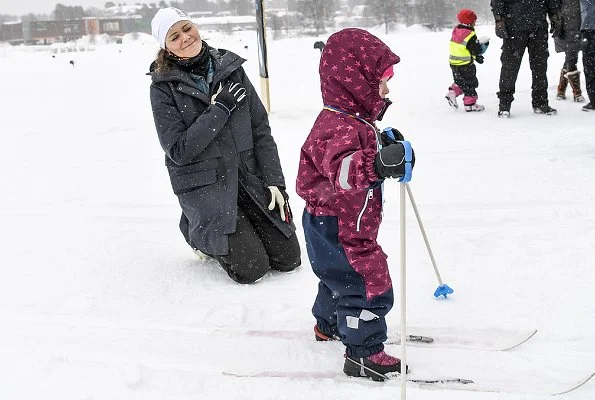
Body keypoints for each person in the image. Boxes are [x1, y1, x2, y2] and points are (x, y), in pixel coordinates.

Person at [148, 7, 301, 283]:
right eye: (174, 36)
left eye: (186, 28)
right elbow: (179, 151)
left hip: (246, 179)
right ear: (166, 47)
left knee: (288, 258)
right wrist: (220, 109)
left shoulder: (231, 69)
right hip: (207, 187)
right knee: (251, 268)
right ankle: (194, 229)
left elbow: (260, 130)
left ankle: (244, 221)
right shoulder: (162, 88)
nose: (185, 38)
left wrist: (274, 181)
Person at [296, 28, 415, 381]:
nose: (386, 90)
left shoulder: (350, 120)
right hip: (341, 223)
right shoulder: (338, 125)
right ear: (357, 80)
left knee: (336, 277)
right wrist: (379, 164)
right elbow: (345, 173)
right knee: (365, 280)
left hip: (331, 220)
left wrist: (382, 146)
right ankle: (363, 353)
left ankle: (329, 324)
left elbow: (353, 157)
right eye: (381, 81)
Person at [491, 0, 562, 117]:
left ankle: (540, 102)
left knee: (540, 67)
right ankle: (504, 104)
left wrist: (555, 15)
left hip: (538, 26)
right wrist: (498, 19)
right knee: (510, 67)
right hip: (513, 27)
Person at [445, 8, 489, 112]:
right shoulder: (469, 34)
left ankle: (452, 93)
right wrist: (481, 50)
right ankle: (470, 104)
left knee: (460, 81)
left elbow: (463, 48)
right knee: (470, 82)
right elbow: (474, 49)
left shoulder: (456, 30)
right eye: (474, 20)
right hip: (465, 64)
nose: (475, 22)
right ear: (470, 22)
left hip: (454, 62)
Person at [554, 0, 585, 102]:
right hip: (566, 28)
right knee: (571, 57)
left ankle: (561, 89)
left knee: (571, 56)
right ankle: (577, 92)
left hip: (578, 26)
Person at [580, 0, 595, 111]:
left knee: (590, 67)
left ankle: (594, 100)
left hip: (588, 28)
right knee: (589, 66)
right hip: (588, 28)